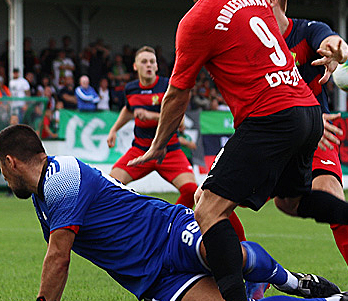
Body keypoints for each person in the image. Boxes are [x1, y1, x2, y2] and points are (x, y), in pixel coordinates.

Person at [130, 0, 348, 301]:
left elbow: (176, 94)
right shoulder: (256, 0)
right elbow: (302, 39)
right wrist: (333, 49)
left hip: (268, 117)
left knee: (207, 206)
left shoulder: (195, 20)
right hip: (307, 111)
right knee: (291, 202)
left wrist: (157, 147)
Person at [0, 125, 348, 301]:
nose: (3, 175)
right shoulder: (44, 196)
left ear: (11, 161)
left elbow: (58, 256)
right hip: (154, 281)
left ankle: (291, 281)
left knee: (224, 254)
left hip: (165, 231)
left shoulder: (61, 177)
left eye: (0, 167)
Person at [232, 0, 348, 301]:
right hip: (267, 137)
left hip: (315, 136)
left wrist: (338, 53)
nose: (239, 5)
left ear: (270, 0)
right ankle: (254, 275)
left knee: (331, 195)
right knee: (211, 201)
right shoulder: (247, 41)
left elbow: (331, 42)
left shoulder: (308, 32)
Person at [105, 45, 246, 239]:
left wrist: (151, 116)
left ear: (156, 66)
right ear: (135, 66)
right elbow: (129, 110)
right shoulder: (130, 89)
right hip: (140, 150)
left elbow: (179, 122)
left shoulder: (168, 86)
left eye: (152, 62)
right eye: (144, 62)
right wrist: (114, 130)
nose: (149, 65)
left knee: (192, 191)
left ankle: (171, 227)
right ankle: (115, 232)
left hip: (169, 151)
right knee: (109, 186)